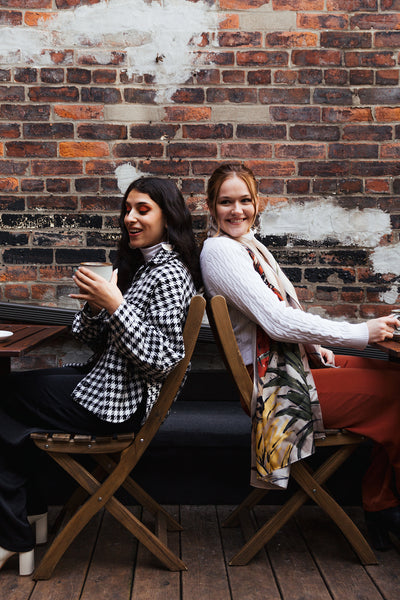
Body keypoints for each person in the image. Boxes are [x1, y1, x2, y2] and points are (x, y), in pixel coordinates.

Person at [0, 176, 199, 575]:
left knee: (4, 398)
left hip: (121, 405)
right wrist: (96, 306)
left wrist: (117, 305)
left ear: (168, 217)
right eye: (128, 210)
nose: (131, 218)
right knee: (8, 400)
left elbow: (161, 360)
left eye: (143, 210)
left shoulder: (170, 274)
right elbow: (91, 340)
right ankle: (27, 517)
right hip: (104, 387)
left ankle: (13, 531)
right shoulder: (140, 268)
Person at [200, 162, 400, 552]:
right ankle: (385, 505)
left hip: (287, 366)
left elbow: (279, 313)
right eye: (226, 202)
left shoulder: (248, 247)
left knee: (387, 370)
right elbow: (275, 322)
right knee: (394, 392)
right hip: (272, 388)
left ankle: (382, 503)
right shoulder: (220, 250)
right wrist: (362, 332)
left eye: (244, 200)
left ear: (258, 203)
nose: (236, 210)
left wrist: (313, 343)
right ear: (210, 207)